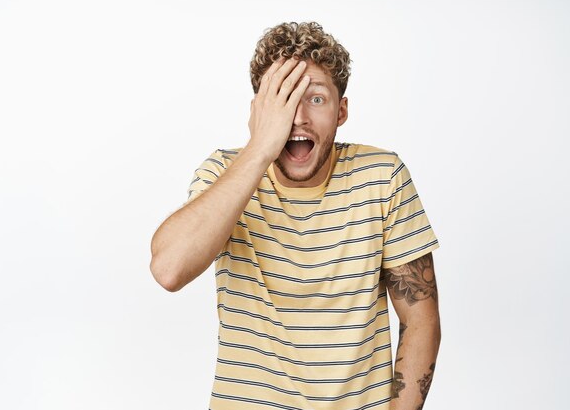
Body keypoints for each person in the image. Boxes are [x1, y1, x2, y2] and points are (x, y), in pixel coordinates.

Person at [150, 21, 441, 410]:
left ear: (342, 111)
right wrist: (259, 149)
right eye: (282, 99)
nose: (298, 117)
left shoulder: (382, 177)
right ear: (258, 110)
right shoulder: (224, 174)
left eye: (315, 98)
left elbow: (421, 321)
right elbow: (169, 269)